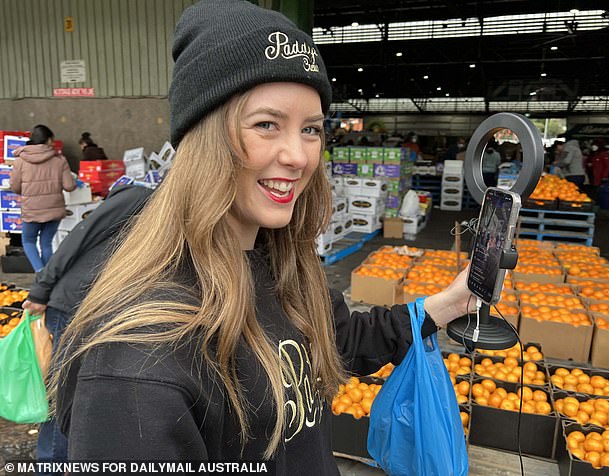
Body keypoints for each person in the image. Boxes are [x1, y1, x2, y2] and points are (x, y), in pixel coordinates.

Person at [52, 1, 474, 471]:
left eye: (311, 129)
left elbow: (339, 340)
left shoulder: (282, 263)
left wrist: (450, 304)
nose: (298, 156)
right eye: (266, 125)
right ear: (204, 138)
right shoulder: (139, 362)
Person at [22, 183, 154, 476]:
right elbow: (78, 238)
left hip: (108, 315)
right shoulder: (139, 197)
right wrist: (40, 291)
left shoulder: (179, 216)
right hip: (73, 305)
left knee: (86, 399)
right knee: (62, 399)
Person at [10, 125, 76, 272]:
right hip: (54, 209)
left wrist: (28, 192)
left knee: (28, 241)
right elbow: (69, 186)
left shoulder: (20, 161)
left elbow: (15, 187)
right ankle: (48, 277)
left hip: (31, 210)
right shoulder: (60, 160)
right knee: (46, 243)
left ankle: (40, 274)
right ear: (48, 140)